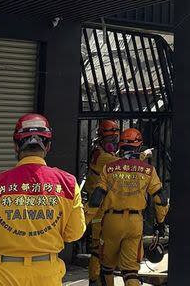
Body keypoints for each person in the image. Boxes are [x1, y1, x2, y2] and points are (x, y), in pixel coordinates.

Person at [0, 113, 86, 286]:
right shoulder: (67, 183)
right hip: (47, 274)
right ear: (48, 146)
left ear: (16, 146)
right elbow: (75, 232)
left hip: (2, 274)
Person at [88, 128, 168, 286]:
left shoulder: (109, 168)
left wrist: (84, 220)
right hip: (135, 223)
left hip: (111, 222)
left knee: (106, 268)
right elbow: (160, 198)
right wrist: (160, 223)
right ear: (138, 146)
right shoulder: (148, 170)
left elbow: (97, 198)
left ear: (120, 145)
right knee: (130, 272)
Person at [83, 120, 120, 285]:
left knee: (103, 248)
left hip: (103, 205)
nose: (113, 143)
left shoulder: (100, 152)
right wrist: (139, 156)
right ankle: (95, 280)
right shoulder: (103, 156)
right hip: (97, 206)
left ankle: (99, 279)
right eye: (110, 140)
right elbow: (121, 165)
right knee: (98, 249)